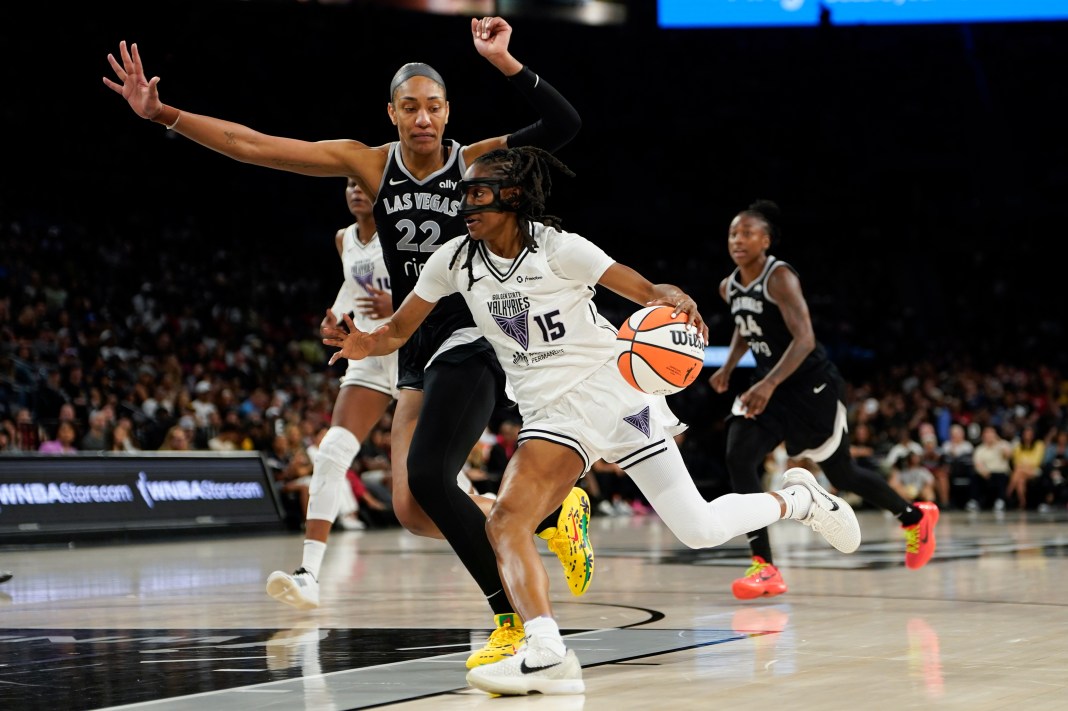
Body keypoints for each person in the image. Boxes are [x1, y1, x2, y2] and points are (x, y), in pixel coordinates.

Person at [104, 16, 587, 669]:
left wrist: (505, 62)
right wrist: (165, 114)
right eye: (410, 106)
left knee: (426, 472)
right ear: (391, 112)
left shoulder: (473, 159)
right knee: (414, 508)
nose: (423, 117)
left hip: (472, 336)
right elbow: (253, 146)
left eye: (434, 106)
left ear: (449, 112)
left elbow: (562, 126)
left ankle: (517, 621)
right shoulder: (367, 162)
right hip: (412, 346)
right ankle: (552, 520)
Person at [323, 147, 863, 696]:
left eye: (477, 193)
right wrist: (364, 340)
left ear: (512, 196)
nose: (465, 204)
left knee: (698, 528)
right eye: (463, 193)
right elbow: (397, 329)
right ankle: (547, 651)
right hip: (551, 414)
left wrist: (671, 297)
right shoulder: (453, 260)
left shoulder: (561, 249)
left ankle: (799, 500)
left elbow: (645, 292)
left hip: (614, 391)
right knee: (507, 521)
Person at [708, 200, 939, 601]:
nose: (737, 240)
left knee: (843, 473)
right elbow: (745, 327)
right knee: (738, 455)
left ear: (766, 240)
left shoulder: (779, 277)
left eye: (746, 233)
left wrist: (769, 384)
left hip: (809, 387)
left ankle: (915, 517)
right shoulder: (729, 286)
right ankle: (764, 565)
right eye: (732, 233)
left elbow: (806, 339)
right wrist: (730, 366)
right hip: (769, 384)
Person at [267, 179, 400, 608]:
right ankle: (309, 574)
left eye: (364, 183)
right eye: (349, 184)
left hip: (411, 350)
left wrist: (396, 307)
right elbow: (351, 291)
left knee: (433, 480)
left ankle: (500, 509)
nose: (356, 190)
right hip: (368, 353)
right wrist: (336, 319)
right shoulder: (344, 238)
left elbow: (437, 287)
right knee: (330, 453)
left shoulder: (402, 229)